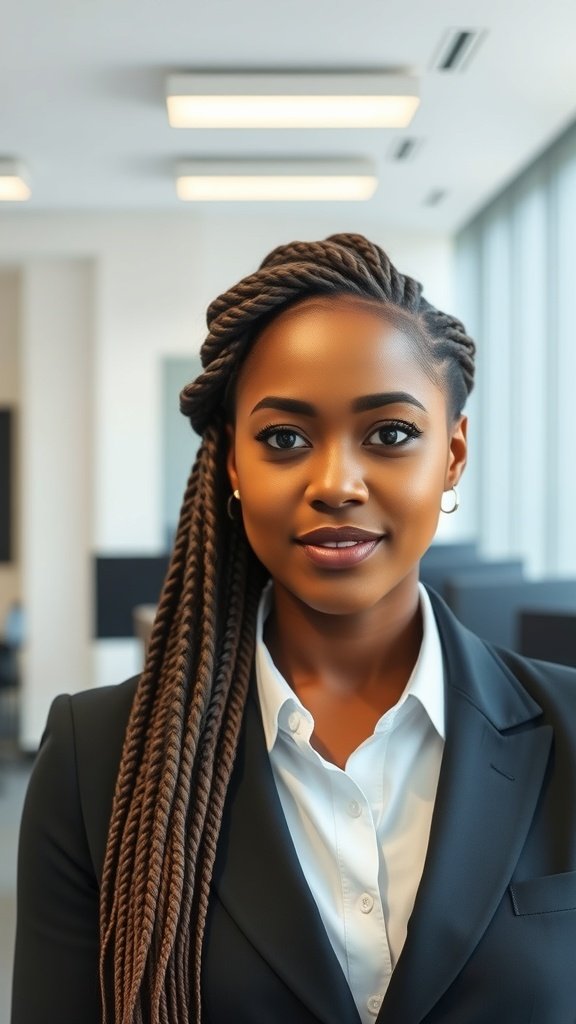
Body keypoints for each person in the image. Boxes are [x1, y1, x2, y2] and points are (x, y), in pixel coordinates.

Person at [11, 233, 576, 1024]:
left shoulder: (569, 725)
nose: (336, 483)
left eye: (390, 434)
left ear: (452, 455)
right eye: (284, 439)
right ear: (233, 465)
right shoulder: (96, 759)